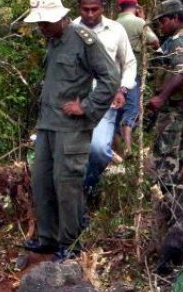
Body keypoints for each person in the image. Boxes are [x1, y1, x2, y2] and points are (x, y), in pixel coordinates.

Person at [22, 0, 119, 261]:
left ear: (60, 17)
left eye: (45, 22)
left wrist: (86, 107)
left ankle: (71, 242)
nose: (41, 27)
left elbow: (111, 76)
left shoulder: (82, 38)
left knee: (67, 185)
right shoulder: (53, 40)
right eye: (39, 22)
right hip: (47, 125)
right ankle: (49, 238)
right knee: (42, 183)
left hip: (71, 129)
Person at [74, 0, 137, 195]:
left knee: (100, 150)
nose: (90, 14)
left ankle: (87, 185)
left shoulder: (116, 30)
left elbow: (129, 63)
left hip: (104, 101)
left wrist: (123, 89)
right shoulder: (71, 29)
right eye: (86, 9)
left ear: (103, 7)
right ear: (79, 7)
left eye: (95, 9)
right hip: (75, 101)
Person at [147, 0, 183, 185]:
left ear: (174, 18)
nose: (160, 26)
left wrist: (160, 97)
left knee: (167, 151)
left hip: (177, 105)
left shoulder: (180, 39)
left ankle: (166, 192)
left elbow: (182, 71)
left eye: (163, 21)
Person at [115, 0, 160, 156]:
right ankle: (128, 151)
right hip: (132, 73)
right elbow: (155, 42)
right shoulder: (138, 23)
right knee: (132, 110)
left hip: (114, 74)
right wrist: (145, 22)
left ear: (119, 7)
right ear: (136, 7)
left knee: (116, 111)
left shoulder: (114, 23)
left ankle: (116, 152)